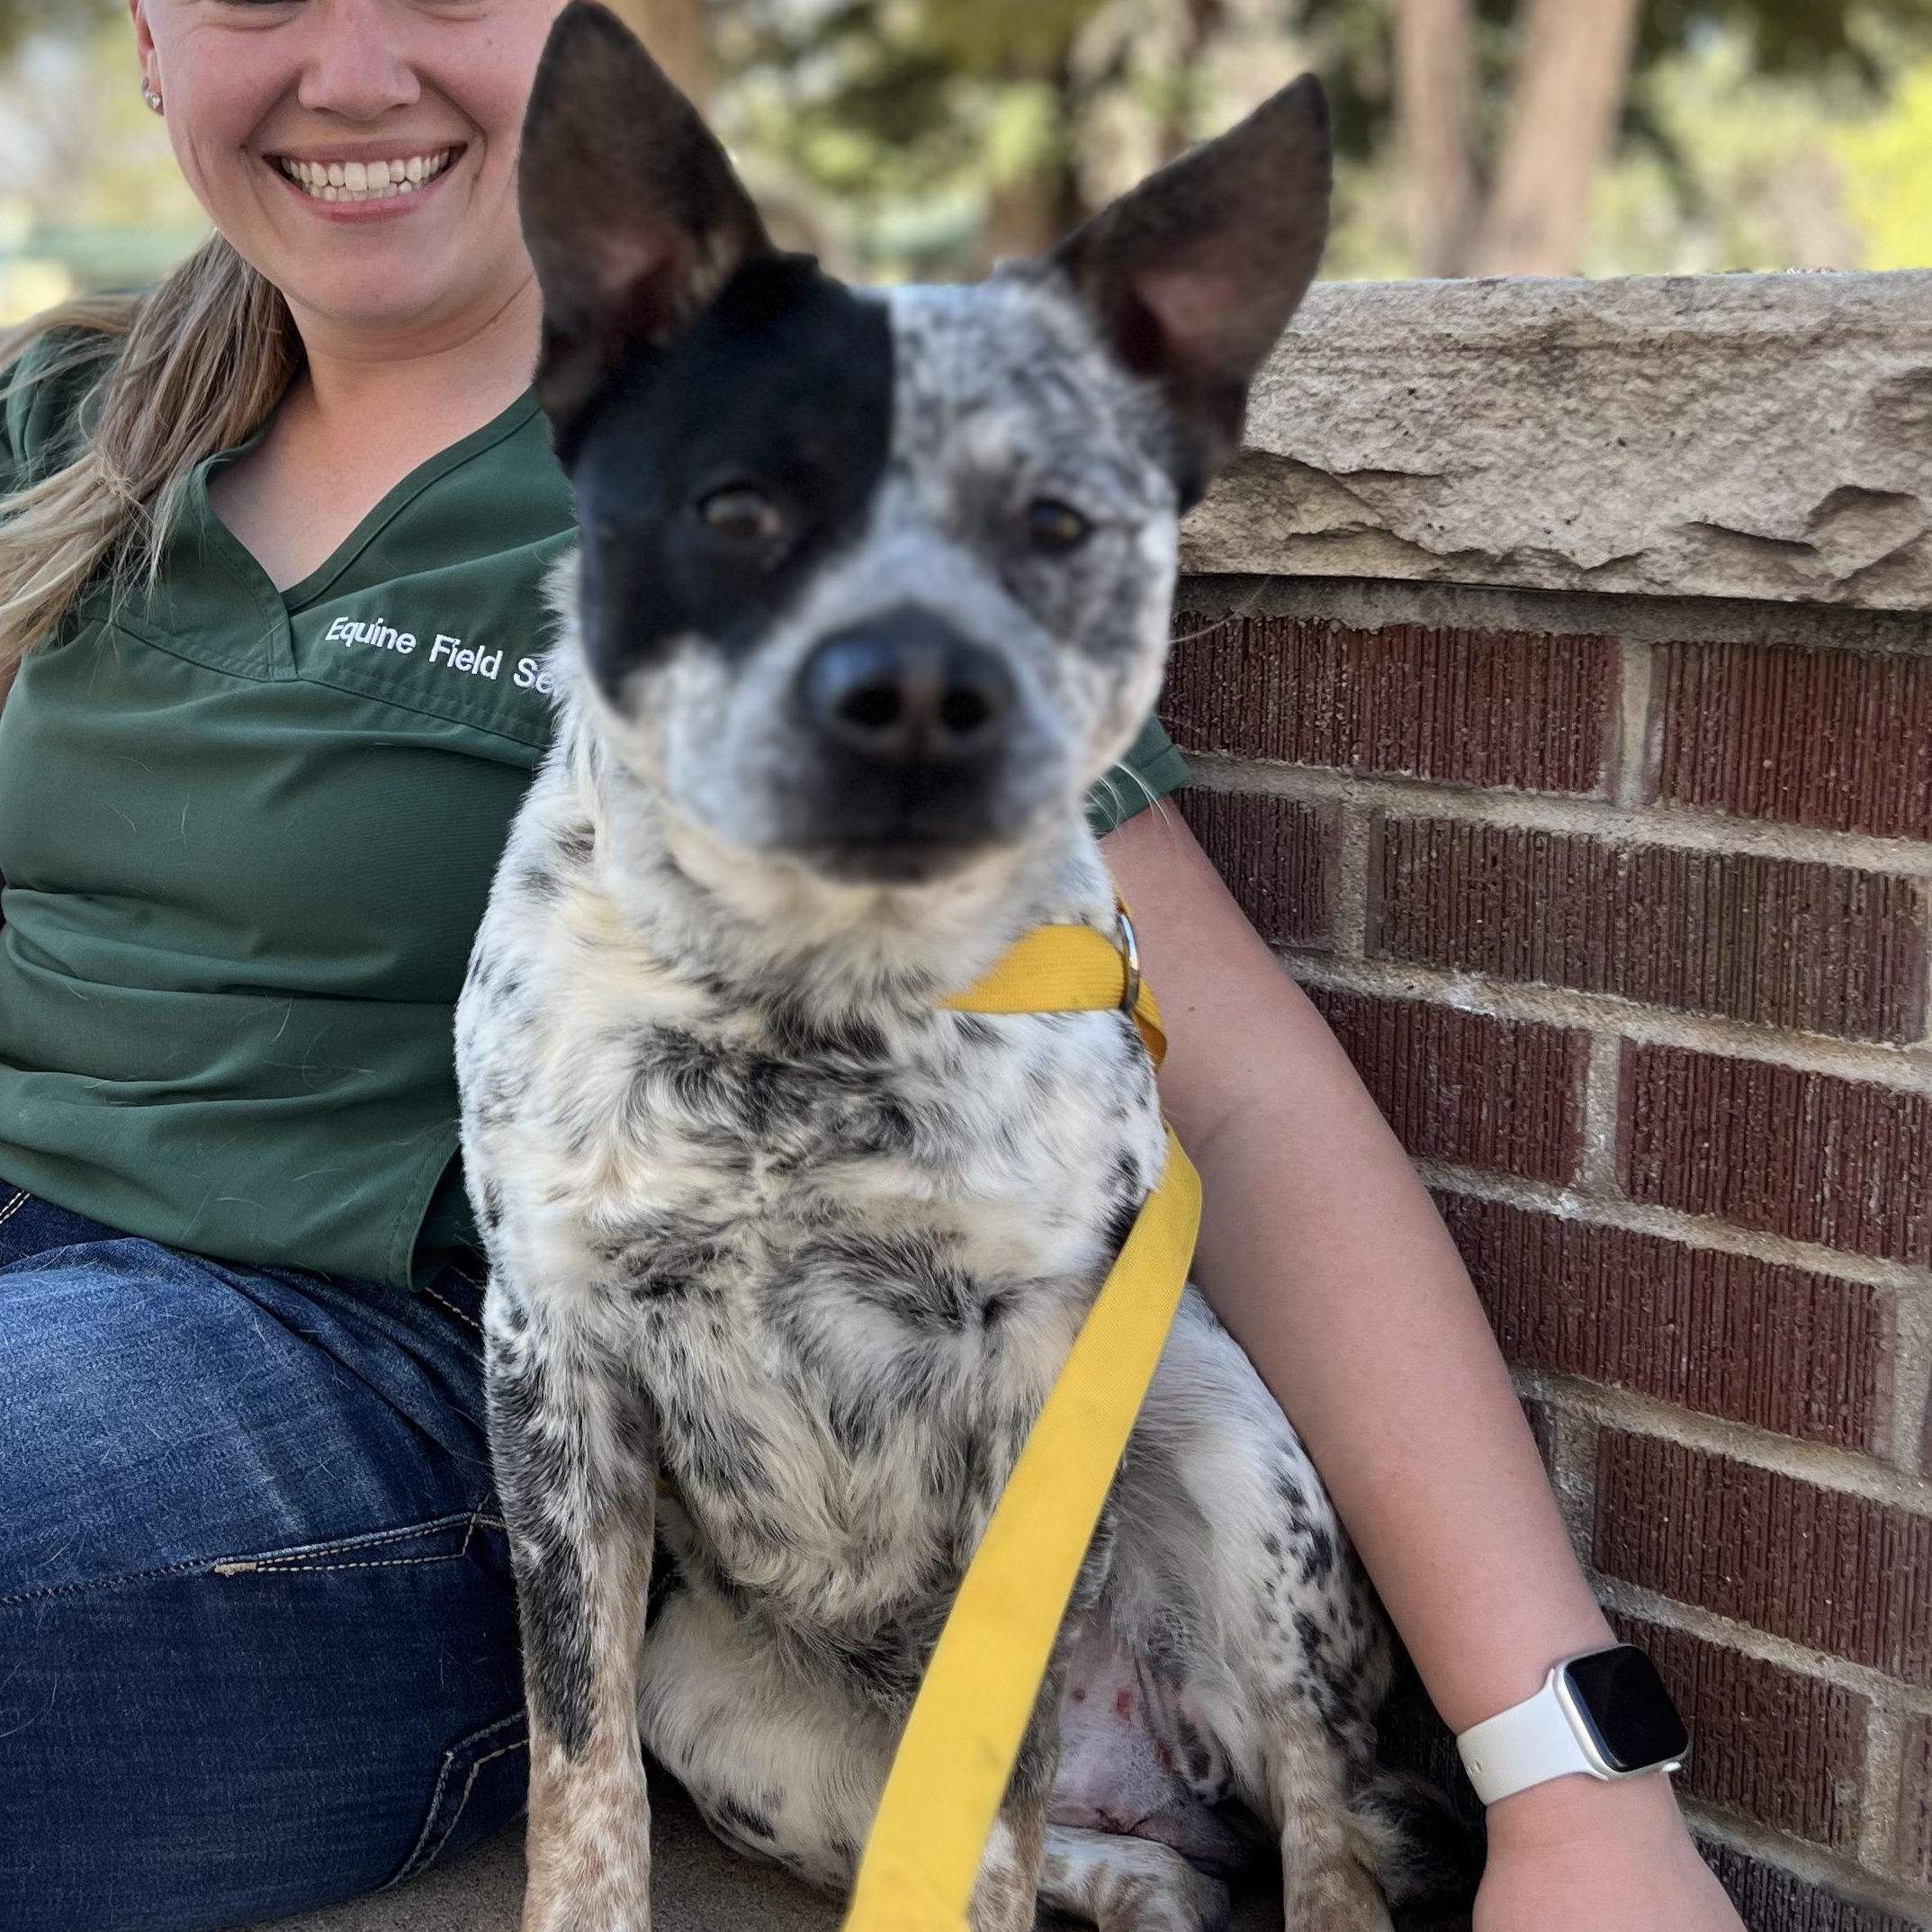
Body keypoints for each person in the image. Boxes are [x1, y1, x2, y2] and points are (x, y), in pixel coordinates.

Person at [0, 4, 1744, 1930]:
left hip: (386, 1394)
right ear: (147, 45)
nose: (352, 66)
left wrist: (1575, 1776)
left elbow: (1229, 1093)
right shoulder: (67, 424)